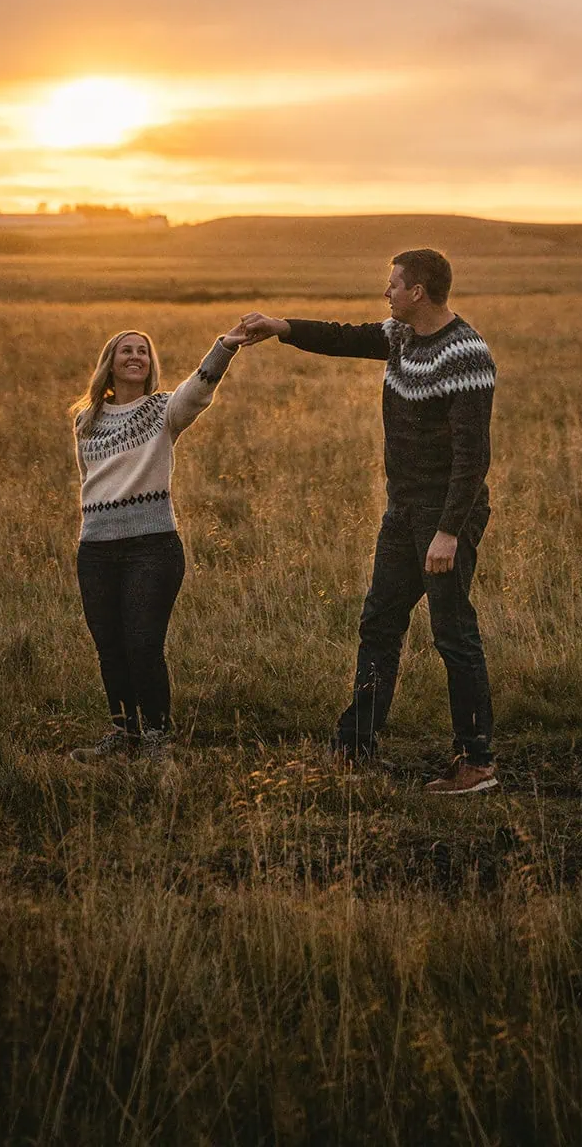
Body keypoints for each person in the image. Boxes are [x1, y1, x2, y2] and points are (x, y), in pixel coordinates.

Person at [241, 249, 498, 794]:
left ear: (418, 292)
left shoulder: (466, 355)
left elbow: (473, 456)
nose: (386, 293)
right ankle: (354, 748)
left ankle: (475, 762)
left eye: (393, 285)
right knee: (379, 623)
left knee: (452, 634)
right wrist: (279, 327)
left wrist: (449, 532)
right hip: (403, 510)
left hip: (444, 514)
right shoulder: (401, 337)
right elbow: (345, 337)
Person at [68, 321, 246, 762]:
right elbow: (89, 482)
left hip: (152, 547)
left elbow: (199, 390)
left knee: (142, 644)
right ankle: (124, 734)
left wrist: (223, 346)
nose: (134, 357)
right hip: (96, 550)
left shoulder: (164, 410)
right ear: (109, 365)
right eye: (125, 351)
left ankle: (157, 738)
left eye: (142, 352)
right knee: (109, 647)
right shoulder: (85, 421)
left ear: (149, 366)